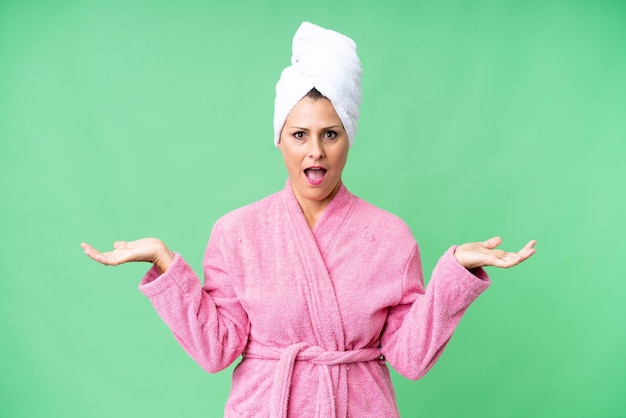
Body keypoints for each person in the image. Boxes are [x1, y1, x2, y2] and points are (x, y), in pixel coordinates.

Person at [81, 22, 536, 418]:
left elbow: (411, 359)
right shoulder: (235, 233)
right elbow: (216, 350)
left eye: (330, 134)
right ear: (279, 139)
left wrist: (454, 274)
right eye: (299, 134)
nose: (315, 151)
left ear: (348, 140)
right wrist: (165, 266)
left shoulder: (391, 237)